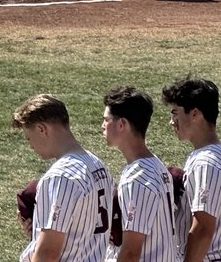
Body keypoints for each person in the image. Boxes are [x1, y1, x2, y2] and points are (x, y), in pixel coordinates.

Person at [12, 94, 113, 262]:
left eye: (29, 138)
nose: (31, 146)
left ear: (42, 129)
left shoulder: (60, 176)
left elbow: (48, 253)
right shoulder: (98, 165)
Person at [100, 86, 178, 262]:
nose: (102, 126)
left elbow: (131, 252)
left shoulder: (138, 177)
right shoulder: (156, 165)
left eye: (106, 120)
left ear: (122, 124)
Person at [163, 77, 221, 262]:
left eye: (175, 113)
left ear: (194, 113)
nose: (171, 122)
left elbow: (203, 228)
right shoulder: (211, 155)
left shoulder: (206, 162)